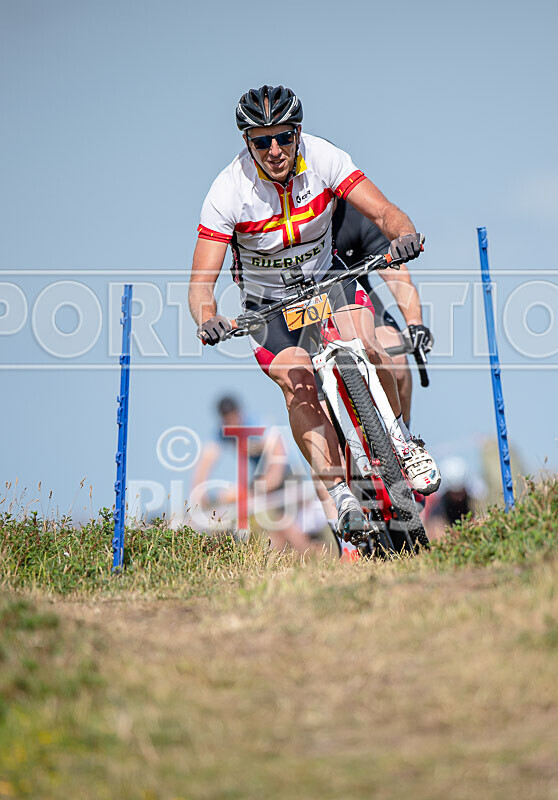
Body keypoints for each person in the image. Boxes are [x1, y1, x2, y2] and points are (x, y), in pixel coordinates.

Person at [188, 85, 441, 542]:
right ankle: (340, 494)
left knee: (370, 342)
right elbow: (200, 286)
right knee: (298, 384)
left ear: (297, 132)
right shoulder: (228, 191)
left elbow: (386, 213)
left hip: (327, 283)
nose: (274, 150)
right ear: (247, 142)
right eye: (261, 141)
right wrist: (207, 318)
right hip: (270, 309)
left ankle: (400, 439)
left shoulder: (324, 158)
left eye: (283, 137)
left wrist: (404, 234)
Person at [332, 198, 434, 427]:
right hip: (303, 304)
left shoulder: (355, 216)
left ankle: (405, 440)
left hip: (354, 294)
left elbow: (396, 276)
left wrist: (414, 323)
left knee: (396, 360)